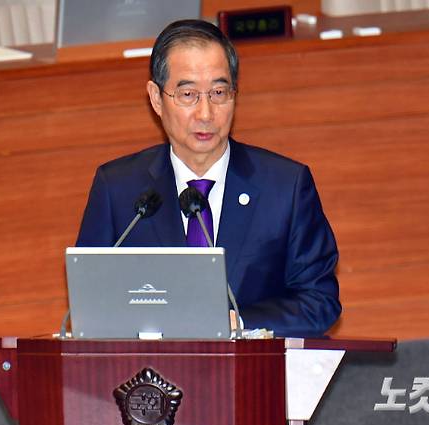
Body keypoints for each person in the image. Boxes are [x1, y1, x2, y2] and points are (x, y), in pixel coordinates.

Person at [76, 19, 341, 337]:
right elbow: (91, 306)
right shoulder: (118, 189)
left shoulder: (285, 186)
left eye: (218, 92)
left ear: (235, 94)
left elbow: (319, 302)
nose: (205, 113)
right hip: (149, 378)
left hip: (252, 376)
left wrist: (237, 322)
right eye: (188, 94)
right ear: (157, 99)